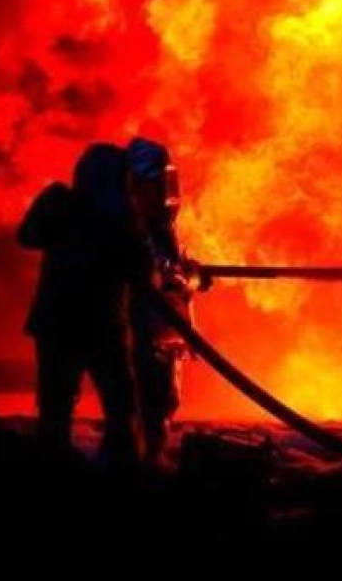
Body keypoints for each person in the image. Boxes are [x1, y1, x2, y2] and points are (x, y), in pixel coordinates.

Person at [18, 143, 149, 470]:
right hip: (99, 327)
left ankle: (57, 467)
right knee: (119, 405)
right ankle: (120, 470)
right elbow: (142, 274)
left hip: (61, 324)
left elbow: (28, 236)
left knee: (57, 405)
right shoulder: (122, 219)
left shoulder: (63, 203)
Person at [125, 136, 207, 466]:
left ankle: (151, 460)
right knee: (146, 406)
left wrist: (194, 274)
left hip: (166, 334)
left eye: (166, 182)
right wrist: (180, 279)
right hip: (143, 335)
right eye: (157, 184)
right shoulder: (131, 228)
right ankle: (141, 469)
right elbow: (154, 277)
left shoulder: (164, 229)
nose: (164, 192)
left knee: (166, 403)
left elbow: (176, 268)